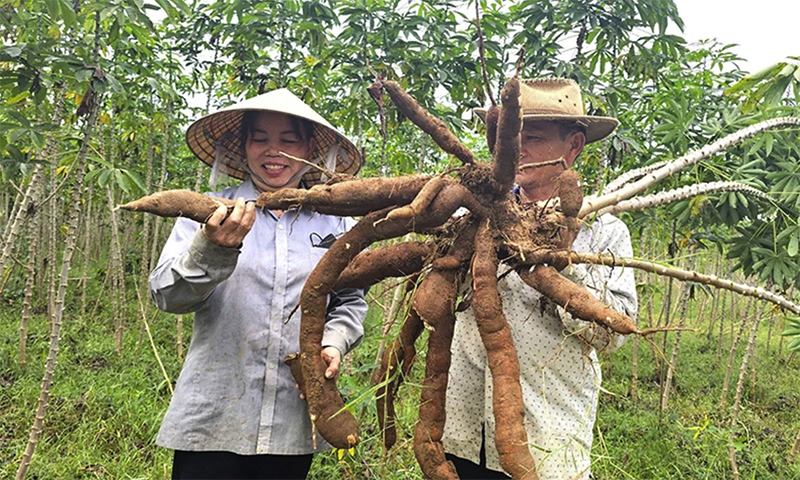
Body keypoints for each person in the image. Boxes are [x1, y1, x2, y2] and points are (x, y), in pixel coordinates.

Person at [149, 89, 368, 480]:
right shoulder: (209, 213)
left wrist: (334, 342)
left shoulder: (335, 222)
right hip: (213, 413)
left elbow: (350, 300)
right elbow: (166, 296)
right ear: (243, 146)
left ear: (309, 148)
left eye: (289, 140)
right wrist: (211, 250)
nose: (274, 152)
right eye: (260, 138)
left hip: (292, 416)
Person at [443, 78, 638, 480]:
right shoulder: (471, 217)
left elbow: (614, 333)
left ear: (575, 145)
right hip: (461, 431)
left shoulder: (603, 232)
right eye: (509, 138)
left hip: (545, 443)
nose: (517, 149)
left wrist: (565, 266)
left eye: (532, 137)